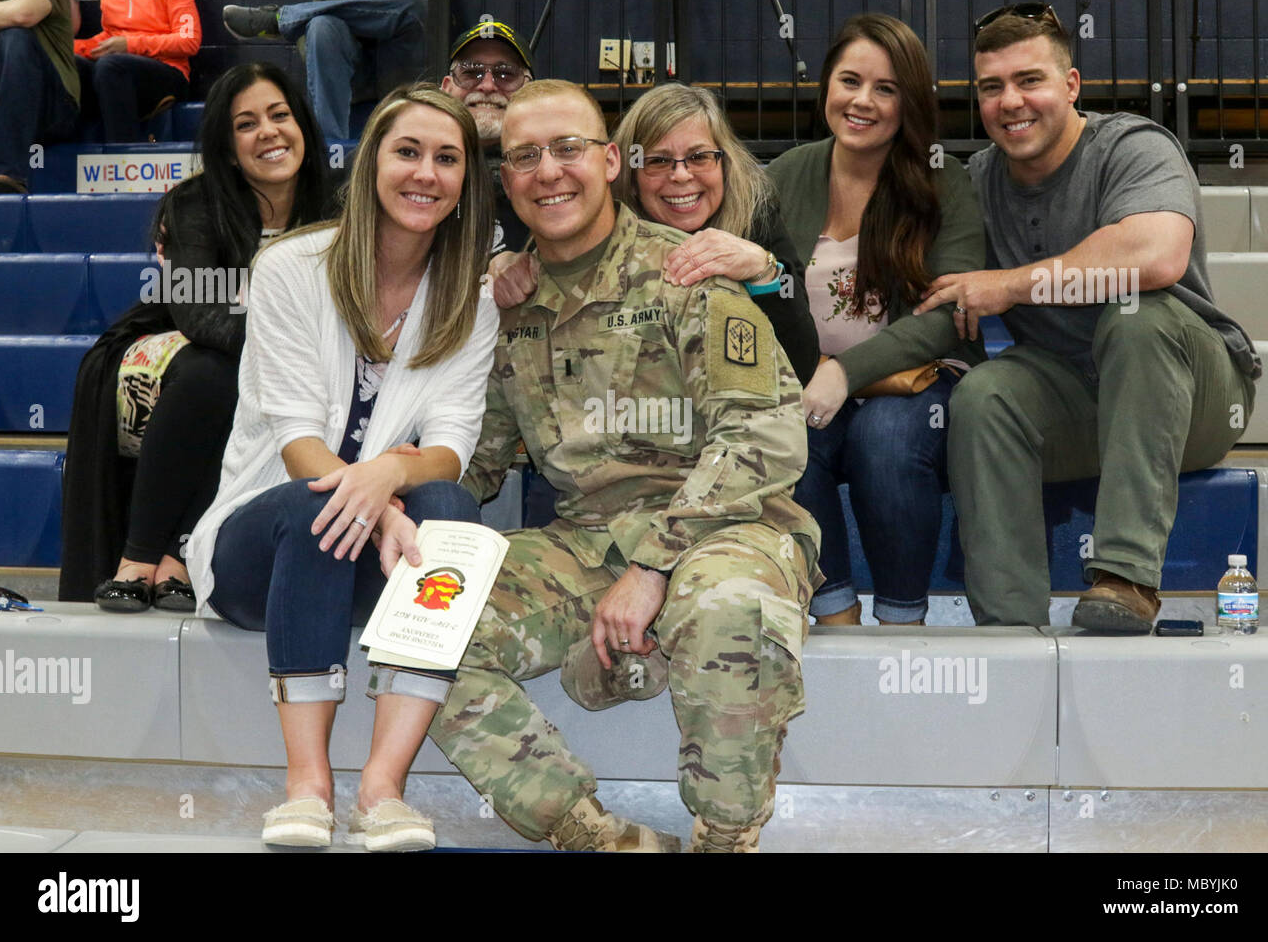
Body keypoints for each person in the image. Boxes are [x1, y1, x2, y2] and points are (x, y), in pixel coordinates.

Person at [426, 79, 820, 852]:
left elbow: (763, 438)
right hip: (584, 542)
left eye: (568, 149)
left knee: (724, 613)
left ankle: (726, 838)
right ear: (505, 181)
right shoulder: (508, 304)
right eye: (525, 156)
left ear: (609, 161)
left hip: (727, 524)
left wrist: (652, 564)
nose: (549, 172)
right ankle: (590, 834)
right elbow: (479, 457)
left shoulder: (686, 274)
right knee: (424, 622)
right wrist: (397, 503)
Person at [184, 83, 497, 850]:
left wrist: (389, 479)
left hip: (377, 559)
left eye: (447, 159)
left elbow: (452, 444)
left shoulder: (471, 298)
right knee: (314, 504)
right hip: (261, 551)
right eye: (408, 152)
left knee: (452, 511)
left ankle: (383, 789)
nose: (426, 173)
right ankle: (308, 785)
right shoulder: (292, 266)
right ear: (369, 166)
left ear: (464, 185)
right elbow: (296, 440)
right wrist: (378, 500)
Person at [915, 4, 1259, 631]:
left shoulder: (1134, 145)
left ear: (1071, 86)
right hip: (1075, 399)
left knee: (1136, 315)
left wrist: (1012, 285)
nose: (1010, 101)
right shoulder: (980, 178)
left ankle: (1125, 579)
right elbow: (944, 286)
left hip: (1191, 395)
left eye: (1030, 80)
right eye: (991, 87)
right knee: (985, 394)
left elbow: (1155, 257)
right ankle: (1009, 624)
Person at [60, 62, 332, 608]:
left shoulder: (343, 202)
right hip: (190, 339)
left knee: (235, 377)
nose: (269, 132)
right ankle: (141, 556)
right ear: (229, 149)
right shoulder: (194, 204)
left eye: (280, 115)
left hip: (295, 349)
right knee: (216, 373)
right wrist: (281, 346)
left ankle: (179, 557)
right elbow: (201, 315)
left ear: (302, 124)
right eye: (247, 124)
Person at [767, 14, 986, 627]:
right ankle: (834, 614)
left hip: (917, 382)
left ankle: (902, 621)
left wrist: (844, 372)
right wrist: (813, 377)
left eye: (885, 88)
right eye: (850, 81)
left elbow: (948, 316)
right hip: (810, 384)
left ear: (909, 101)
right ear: (826, 88)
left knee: (883, 437)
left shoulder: (945, 182)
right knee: (785, 433)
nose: (863, 101)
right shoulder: (783, 176)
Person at [488, 82, 819, 384]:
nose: (680, 175)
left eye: (699, 157)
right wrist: (504, 263)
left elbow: (801, 366)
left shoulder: (754, 215)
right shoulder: (590, 224)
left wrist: (765, 274)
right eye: (658, 161)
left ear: (724, 163)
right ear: (626, 174)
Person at [223, 0, 426, 141]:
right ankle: (331, 149)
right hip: (349, 74)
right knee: (320, 24)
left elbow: (426, 19)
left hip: (397, 70)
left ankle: (278, 20)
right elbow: (310, 32)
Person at [440, 18, 533, 256]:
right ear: (446, 88)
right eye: (471, 72)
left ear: (530, 91)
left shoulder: (555, 173)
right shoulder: (415, 171)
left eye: (506, 74)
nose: (488, 86)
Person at [73, 0, 200, 142]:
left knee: (110, 66)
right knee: (72, 64)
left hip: (168, 73)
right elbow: (112, 36)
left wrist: (129, 45)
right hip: (117, 70)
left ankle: (122, 155)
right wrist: (67, 48)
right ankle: (59, 153)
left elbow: (188, 41)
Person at [0, 0, 78, 193]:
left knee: (14, 35)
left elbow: (24, 14)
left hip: (54, 107)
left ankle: (5, 174)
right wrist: (5, 12)